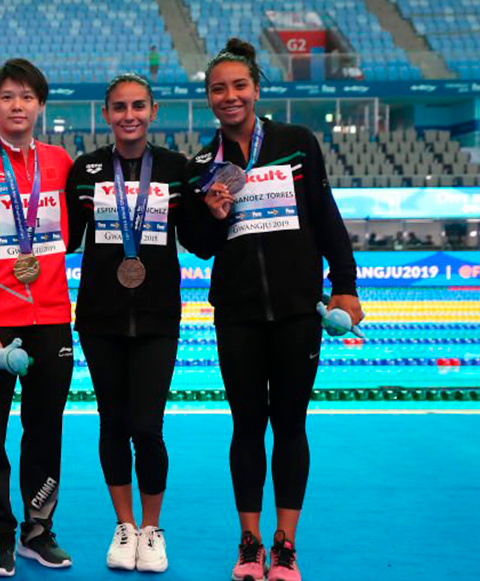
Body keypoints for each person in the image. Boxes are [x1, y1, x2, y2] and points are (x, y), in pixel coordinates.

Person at [183, 38, 362, 581]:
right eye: (219, 89)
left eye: (239, 86)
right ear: (209, 99)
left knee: (290, 425)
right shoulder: (202, 162)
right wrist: (212, 213)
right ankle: (249, 541)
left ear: (256, 90)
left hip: (295, 311)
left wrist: (346, 284)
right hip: (235, 314)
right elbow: (196, 242)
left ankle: (285, 543)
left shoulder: (296, 142)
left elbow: (325, 215)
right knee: (245, 426)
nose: (230, 96)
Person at [65, 73, 194, 573]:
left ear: (153, 111)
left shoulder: (175, 168)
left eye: (138, 105)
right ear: (106, 114)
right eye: (119, 107)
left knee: (148, 426)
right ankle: (123, 527)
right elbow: (66, 237)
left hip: (159, 317)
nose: (129, 115)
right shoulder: (86, 169)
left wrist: (217, 210)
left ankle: (151, 528)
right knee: (113, 424)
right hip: (99, 317)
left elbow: (200, 239)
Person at [0, 58, 74, 576]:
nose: (18, 105)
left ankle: (38, 529)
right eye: (7, 97)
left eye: (27, 96)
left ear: (40, 104)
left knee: (45, 429)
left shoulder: (61, 163)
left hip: (50, 317)